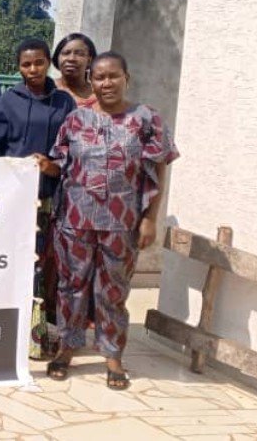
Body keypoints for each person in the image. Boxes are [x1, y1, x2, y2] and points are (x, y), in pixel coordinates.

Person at [45, 52, 179, 390]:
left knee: (113, 290)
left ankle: (113, 355)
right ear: (92, 81)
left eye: (113, 76)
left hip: (122, 222)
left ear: (126, 78)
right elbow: (60, 164)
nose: (106, 83)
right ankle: (68, 347)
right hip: (74, 220)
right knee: (71, 286)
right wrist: (38, 165)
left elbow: (159, 168)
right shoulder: (75, 120)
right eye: (100, 77)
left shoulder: (146, 119)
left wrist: (151, 219)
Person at [0, 39, 77, 358]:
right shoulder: (7, 102)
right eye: (26, 64)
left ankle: (35, 340)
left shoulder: (65, 103)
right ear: (18, 67)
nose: (33, 69)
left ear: (48, 62)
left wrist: (52, 167)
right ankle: (2, 332)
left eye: (38, 62)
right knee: (11, 263)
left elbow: (73, 151)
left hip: (50, 198)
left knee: (42, 267)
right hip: (13, 200)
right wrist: (10, 173)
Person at [52, 33, 98, 107]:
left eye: (79, 54)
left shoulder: (99, 95)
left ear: (89, 61)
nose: (71, 59)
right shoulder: (45, 90)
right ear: (57, 57)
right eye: (66, 53)